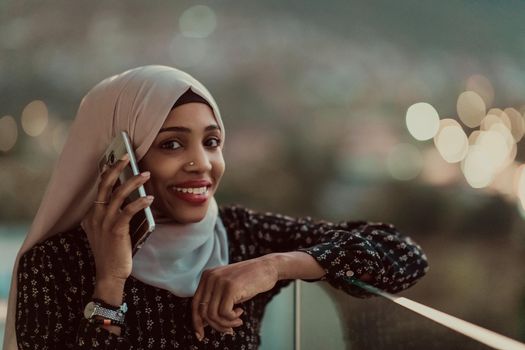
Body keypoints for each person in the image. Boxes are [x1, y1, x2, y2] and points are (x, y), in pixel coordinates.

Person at [3, 65, 428, 349]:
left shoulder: (242, 236)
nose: (202, 164)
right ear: (118, 160)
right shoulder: (54, 264)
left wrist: (275, 266)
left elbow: (404, 256)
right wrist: (110, 284)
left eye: (211, 142)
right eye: (171, 144)